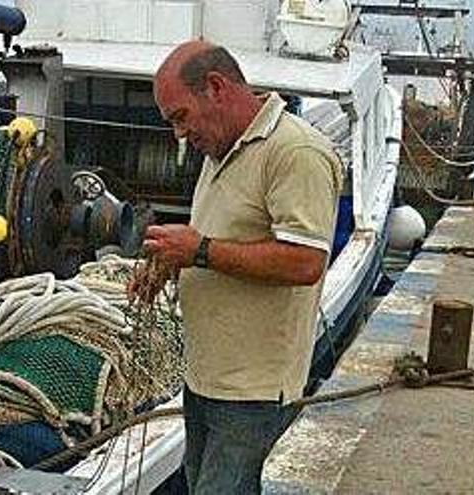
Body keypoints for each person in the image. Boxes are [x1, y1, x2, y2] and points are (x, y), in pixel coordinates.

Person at [144, 40, 343, 493]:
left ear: (216, 87)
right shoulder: (219, 152)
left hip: (252, 397)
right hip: (205, 383)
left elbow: (306, 260)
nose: (178, 134)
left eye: (180, 117)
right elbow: (221, 240)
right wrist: (170, 263)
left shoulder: (296, 152)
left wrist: (197, 251)